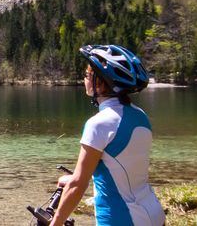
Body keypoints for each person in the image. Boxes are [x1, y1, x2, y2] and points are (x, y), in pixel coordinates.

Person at [50, 44, 165, 226]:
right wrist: (70, 180)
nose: (84, 80)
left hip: (121, 219)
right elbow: (122, 168)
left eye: (87, 75)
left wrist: (55, 224)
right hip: (153, 214)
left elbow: (78, 185)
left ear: (100, 82)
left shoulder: (99, 124)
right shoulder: (141, 116)